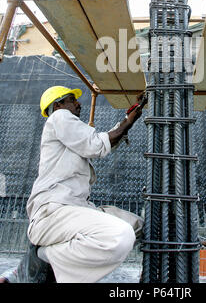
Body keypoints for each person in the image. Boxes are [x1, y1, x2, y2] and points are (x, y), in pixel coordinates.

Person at [0, 86, 146, 283]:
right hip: (54, 211)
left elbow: (105, 139)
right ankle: (43, 258)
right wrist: (129, 119)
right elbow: (96, 144)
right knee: (119, 236)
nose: (78, 103)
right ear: (58, 105)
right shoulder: (59, 117)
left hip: (72, 209)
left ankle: (39, 260)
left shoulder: (67, 132)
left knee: (136, 226)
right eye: (72, 99)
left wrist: (133, 114)